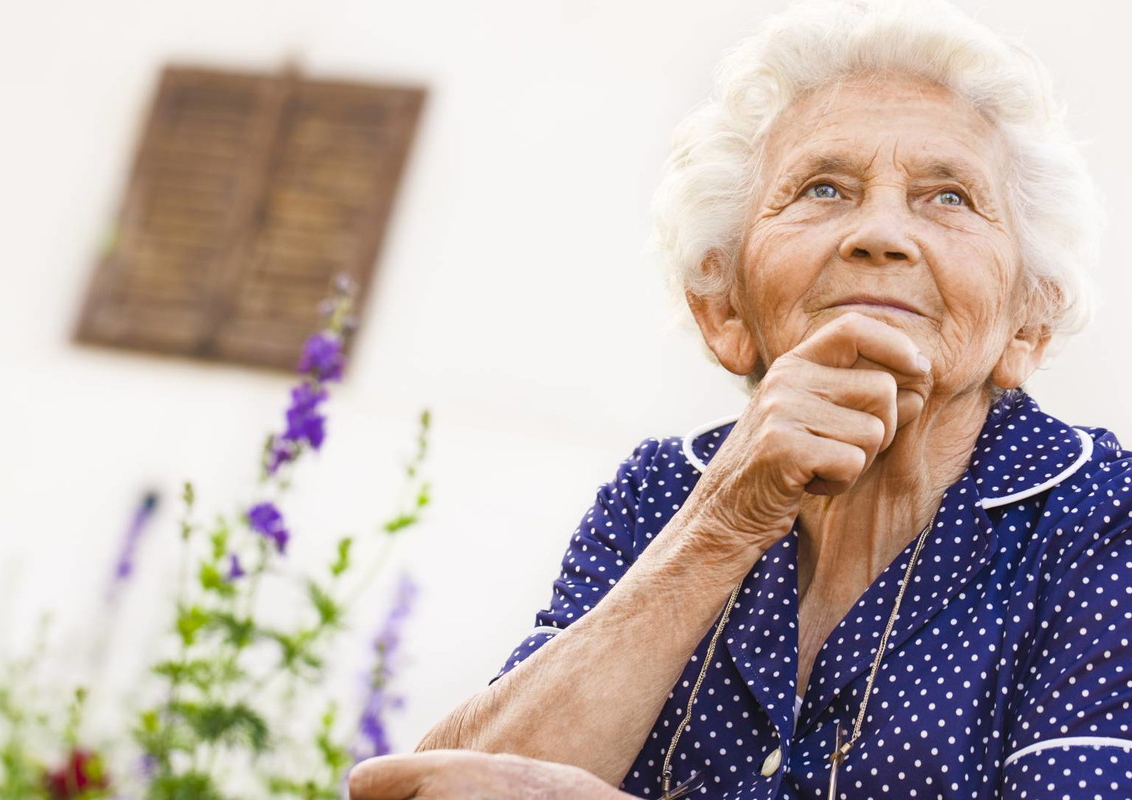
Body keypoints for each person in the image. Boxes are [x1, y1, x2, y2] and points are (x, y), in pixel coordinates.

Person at [350, 0, 1132, 797]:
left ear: (1026, 325)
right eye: (824, 188)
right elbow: (450, 786)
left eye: (950, 197)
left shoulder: (1108, 521)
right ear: (723, 312)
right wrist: (723, 522)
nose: (882, 234)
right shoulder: (663, 494)